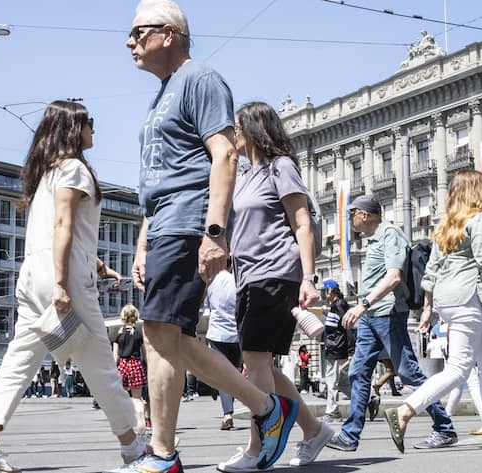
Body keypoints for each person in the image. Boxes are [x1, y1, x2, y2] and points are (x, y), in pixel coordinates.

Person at [116, 2, 298, 471]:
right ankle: (264, 408)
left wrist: (214, 232)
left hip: (187, 220)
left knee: (160, 334)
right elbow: (156, 177)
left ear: (169, 34)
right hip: (163, 222)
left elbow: (225, 156)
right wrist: (142, 242)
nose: (129, 41)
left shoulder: (201, 79)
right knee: (167, 335)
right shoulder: (162, 93)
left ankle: (165, 452)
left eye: (138, 32)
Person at [0, 101, 147, 473]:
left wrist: (97, 265)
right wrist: (63, 283)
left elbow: (62, 232)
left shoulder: (45, 174)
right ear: (74, 129)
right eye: (88, 122)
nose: (94, 128)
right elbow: (63, 226)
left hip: (33, 274)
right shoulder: (74, 169)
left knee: (19, 360)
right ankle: (133, 448)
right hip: (63, 278)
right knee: (98, 364)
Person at [218, 101, 336, 471]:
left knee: (253, 362)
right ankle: (314, 430)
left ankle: (258, 449)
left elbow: (302, 223)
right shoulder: (246, 174)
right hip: (248, 278)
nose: (232, 135)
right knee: (262, 365)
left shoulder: (280, 167)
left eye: (236, 128)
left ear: (253, 130)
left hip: (276, 274)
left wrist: (307, 277)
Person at [382, 170, 482, 452]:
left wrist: (427, 307)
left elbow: (432, 271)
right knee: (458, 369)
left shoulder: (446, 224)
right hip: (466, 298)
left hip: (449, 301)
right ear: (473, 191)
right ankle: (404, 411)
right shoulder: (478, 220)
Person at [327, 194, 457, 452]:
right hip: (371, 317)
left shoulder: (390, 235)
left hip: (388, 314)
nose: (350, 219)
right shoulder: (374, 239)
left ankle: (444, 428)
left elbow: (394, 277)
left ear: (365, 214)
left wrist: (362, 305)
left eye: (352, 214)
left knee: (409, 372)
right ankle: (350, 435)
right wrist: (365, 308)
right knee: (358, 372)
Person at [203, 259, 241, 431]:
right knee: (234, 374)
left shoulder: (210, 283)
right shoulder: (237, 280)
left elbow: (207, 308)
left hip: (217, 334)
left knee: (223, 375)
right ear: (230, 265)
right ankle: (227, 405)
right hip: (236, 335)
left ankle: (227, 413)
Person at [320, 279, 355, 423]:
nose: (323, 294)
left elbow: (348, 328)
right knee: (342, 382)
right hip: (335, 348)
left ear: (331, 291)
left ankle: (332, 412)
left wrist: (351, 351)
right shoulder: (335, 306)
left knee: (331, 381)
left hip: (337, 349)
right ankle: (368, 400)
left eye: (324, 291)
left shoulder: (339, 305)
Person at [113, 304, 148, 430]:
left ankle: (125, 423)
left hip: (123, 365)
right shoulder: (139, 334)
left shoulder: (119, 334)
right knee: (137, 398)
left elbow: (115, 355)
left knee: (122, 397)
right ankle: (141, 423)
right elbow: (145, 353)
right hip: (135, 365)